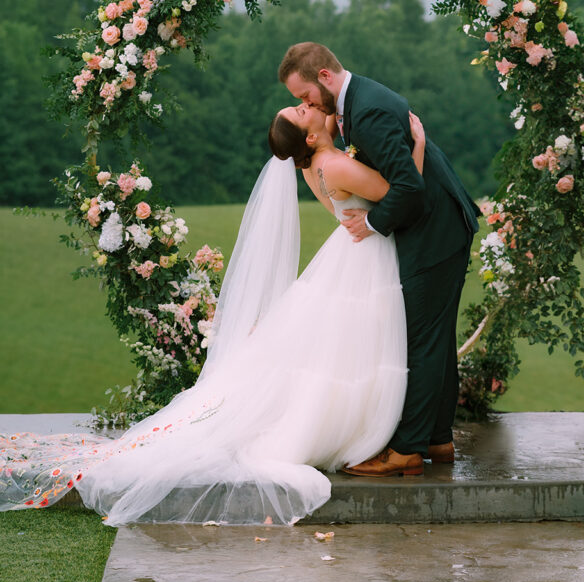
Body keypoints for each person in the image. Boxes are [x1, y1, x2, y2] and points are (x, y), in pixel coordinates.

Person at [0, 106, 426, 526]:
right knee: (356, 344)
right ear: (310, 138)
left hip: (349, 253)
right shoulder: (334, 163)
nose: (309, 106)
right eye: (302, 110)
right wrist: (418, 147)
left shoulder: (313, 166)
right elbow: (405, 192)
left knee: (341, 347)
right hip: (363, 255)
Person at [278, 42, 480, 478]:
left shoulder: (364, 111)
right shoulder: (351, 104)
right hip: (437, 225)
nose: (306, 105)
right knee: (436, 336)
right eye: (300, 104)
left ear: (325, 79)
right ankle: (437, 438)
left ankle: (407, 449)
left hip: (435, 230)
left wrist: (369, 225)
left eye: (305, 97)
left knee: (422, 340)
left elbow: (408, 189)